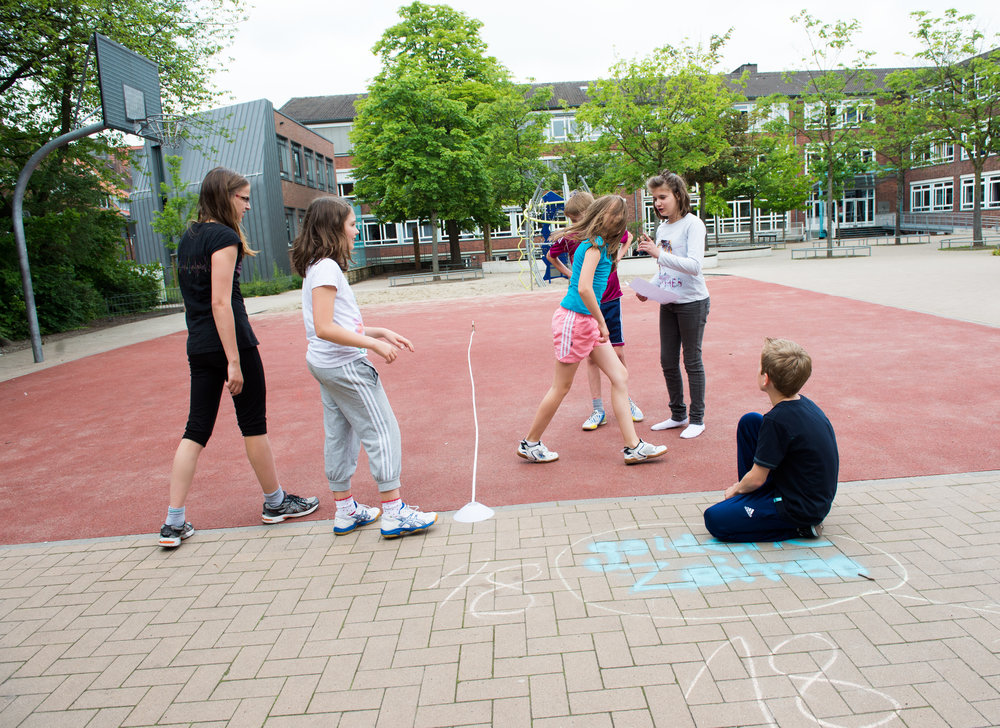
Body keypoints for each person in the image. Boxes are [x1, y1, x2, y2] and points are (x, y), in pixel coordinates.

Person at [159, 167, 318, 548]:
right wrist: (233, 359)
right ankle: (275, 503)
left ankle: (173, 522)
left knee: (195, 430)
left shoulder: (189, 237)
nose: (247, 205)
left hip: (198, 345)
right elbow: (219, 301)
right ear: (224, 197)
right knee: (253, 425)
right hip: (233, 346)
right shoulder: (224, 237)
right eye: (242, 198)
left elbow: (197, 300)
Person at [291, 196, 437, 539]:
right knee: (383, 431)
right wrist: (372, 344)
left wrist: (378, 330)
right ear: (334, 227)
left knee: (340, 433)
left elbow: (328, 325)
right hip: (344, 365)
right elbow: (326, 327)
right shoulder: (327, 267)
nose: (357, 231)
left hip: (325, 362)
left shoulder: (317, 265)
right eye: (353, 224)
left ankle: (345, 510)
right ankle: (394, 512)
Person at [519, 195, 667, 465]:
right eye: (615, 217)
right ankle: (530, 443)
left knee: (619, 376)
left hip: (584, 322)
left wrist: (595, 321)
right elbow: (584, 288)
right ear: (601, 216)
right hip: (575, 321)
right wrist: (601, 322)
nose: (619, 222)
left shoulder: (600, 245)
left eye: (620, 218)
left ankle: (632, 447)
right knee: (561, 387)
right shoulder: (593, 248)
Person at [703, 338, 839, 542]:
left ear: (766, 379)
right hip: (805, 493)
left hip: (799, 508)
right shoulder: (804, 405)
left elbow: (757, 478)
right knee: (750, 422)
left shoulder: (778, 420)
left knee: (715, 519)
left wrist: (737, 488)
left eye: (759, 367)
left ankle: (801, 528)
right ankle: (753, 499)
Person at [546, 191, 644, 431]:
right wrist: (572, 275)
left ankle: (629, 429)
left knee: (619, 363)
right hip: (586, 311)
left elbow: (627, 237)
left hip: (608, 300)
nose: (573, 223)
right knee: (566, 382)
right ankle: (597, 409)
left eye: (576, 217)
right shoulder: (588, 244)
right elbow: (583, 287)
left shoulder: (606, 238)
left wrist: (618, 257)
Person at [636, 170, 710, 439]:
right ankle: (678, 415)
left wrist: (658, 254)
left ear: (678, 195)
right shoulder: (663, 227)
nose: (657, 203)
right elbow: (664, 267)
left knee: (692, 360)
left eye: (662, 196)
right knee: (667, 360)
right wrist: (650, 288)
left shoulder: (693, 224)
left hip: (692, 302)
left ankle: (697, 419)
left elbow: (694, 266)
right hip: (668, 300)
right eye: (654, 198)